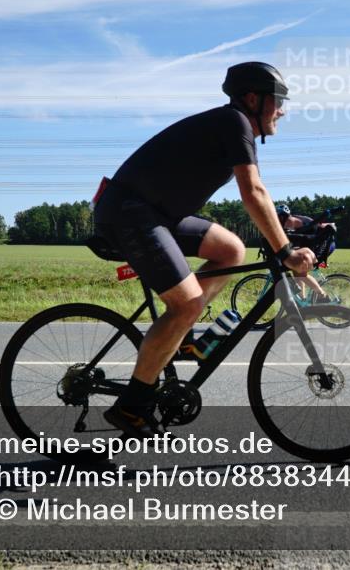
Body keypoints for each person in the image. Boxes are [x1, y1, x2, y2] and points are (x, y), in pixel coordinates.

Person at [92, 62, 317, 438]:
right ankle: (131, 406)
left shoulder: (233, 125)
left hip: (157, 215)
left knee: (231, 250)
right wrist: (286, 252)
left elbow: (259, 195)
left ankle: (180, 339)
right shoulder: (235, 122)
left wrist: (285, 232)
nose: (282, 110)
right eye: (278, 100)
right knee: (187, 304)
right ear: (252, 99)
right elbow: (252, 192)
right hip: (130, 213)